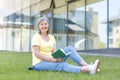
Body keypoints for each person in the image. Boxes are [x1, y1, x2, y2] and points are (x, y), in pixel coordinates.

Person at [30, 15, 100, 75]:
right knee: (61, 65)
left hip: (51, 59)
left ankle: (88, 65)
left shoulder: (51, 37)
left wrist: (59, 57)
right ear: (39, 26)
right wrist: (53, 60)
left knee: (69, 48)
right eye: (41, 24)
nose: (44, 26)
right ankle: (87, 69)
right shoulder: (36, 37)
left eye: (45, 24)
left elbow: (54, 52)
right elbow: (37, 54)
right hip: (40, 63)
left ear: (48, 25)